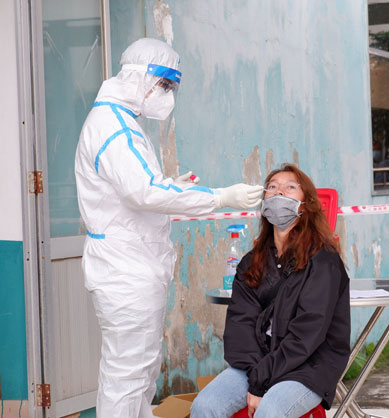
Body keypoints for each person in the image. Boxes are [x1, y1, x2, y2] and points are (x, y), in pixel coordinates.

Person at [74, 38, 263, 418]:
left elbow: (135, 189)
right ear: (139, 77)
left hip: (130, 264)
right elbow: (144, 191)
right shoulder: (115, 128)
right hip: (124, 268)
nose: (167, 94)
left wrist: (174, 186)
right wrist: (219, 196)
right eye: (164, 84)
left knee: (137, 374)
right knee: (126, 376)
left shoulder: (121, 122)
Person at [191, 164, 351, 418]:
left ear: (306, 204)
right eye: (272, 187)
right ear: (263, 203)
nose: (279, 193)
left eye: (290, 187)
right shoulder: (251, 263)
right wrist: (257, 374)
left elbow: (308, 334)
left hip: (308, 364)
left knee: (271, 411)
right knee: (204, 406)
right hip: (257, 362)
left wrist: (260, 382)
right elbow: (240, 326)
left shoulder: (323, 261)